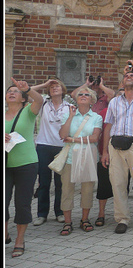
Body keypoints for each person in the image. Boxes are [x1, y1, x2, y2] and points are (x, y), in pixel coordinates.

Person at [101, 61, 133, 234]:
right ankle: (122, 219)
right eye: (126, 76)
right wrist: (105, 151)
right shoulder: (114, 102)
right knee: (118, 184)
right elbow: (108, 126)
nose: (128, 76)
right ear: (122, 84)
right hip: (115, 144)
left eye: (132, 76)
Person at [5, 78, 44, 258]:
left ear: (22, 98)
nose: (11, 93)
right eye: (9, 91)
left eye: (15, 91)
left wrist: (27, 88)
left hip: (26, 164)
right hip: (5, 164)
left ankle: (20, 240)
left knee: (22, 204)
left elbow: (40, 100)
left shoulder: (28, 111)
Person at [58, 88, 103, 236]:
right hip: (70, 157)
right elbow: (63, 135)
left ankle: (85, 219)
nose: (83, 96)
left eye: (87, 95)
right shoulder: (67, 115)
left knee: (87, 190)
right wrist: (71, 117)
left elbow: (95, 138)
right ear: (76, 99)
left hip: (88, 156)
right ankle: (67, 221)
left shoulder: (96, 117)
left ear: (92, 100)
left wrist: (73, 139)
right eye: (80, 95)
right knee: (67, 189)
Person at [73, 76, 116, 227]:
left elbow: (113, 95)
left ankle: (111, 213)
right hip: (95, 150)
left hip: (109, 148)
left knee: (113, 184)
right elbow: (74, 95)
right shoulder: (87, 103)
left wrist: (102, 86)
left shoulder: (107, 104)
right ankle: (100, 213)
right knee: (99, 184)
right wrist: (87, 85)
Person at [30, 78, 72, 226]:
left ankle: (59, 212)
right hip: (44, 145)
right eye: (52, 87)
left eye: (57, 86)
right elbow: (27, 92)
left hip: (61, 147)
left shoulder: (69, 106)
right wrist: (44, 84)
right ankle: (42, 214)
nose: (54, 88)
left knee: (60, 183)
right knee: (43, 182)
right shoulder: (43, 103)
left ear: (63, 89)